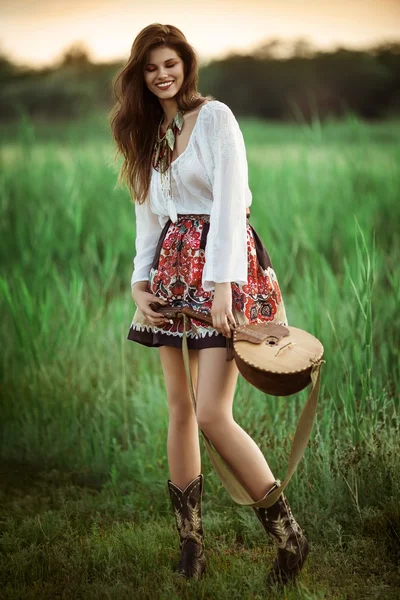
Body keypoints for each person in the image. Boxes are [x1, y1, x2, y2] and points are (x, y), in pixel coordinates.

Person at [110, 23, 309, 589]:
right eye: (150, 68)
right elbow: (148, 217)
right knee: (179, 408)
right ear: (139, 77)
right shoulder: (150, 135)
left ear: (186, 65)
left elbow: (229, 206)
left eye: (169, 63)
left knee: (211, 413)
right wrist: (136, 281)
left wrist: (224, 284)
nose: (161, 75)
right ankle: (192, 545)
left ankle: (290, 538)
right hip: (171, 275)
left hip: (224, 270)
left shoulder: (216, 118)